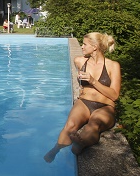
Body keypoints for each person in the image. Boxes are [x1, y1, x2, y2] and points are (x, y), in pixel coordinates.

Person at [44, 32, 121, 163]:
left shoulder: (113, 65)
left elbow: (114, 95)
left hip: (105, 106)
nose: (82, 46)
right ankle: (56, 148)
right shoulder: (79, 61)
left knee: (94, 123)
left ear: (95, 46)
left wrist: (93, 81)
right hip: (84, 103)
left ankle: (80, 144)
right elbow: (80, 83)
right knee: (70, 125)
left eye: (85, 44)